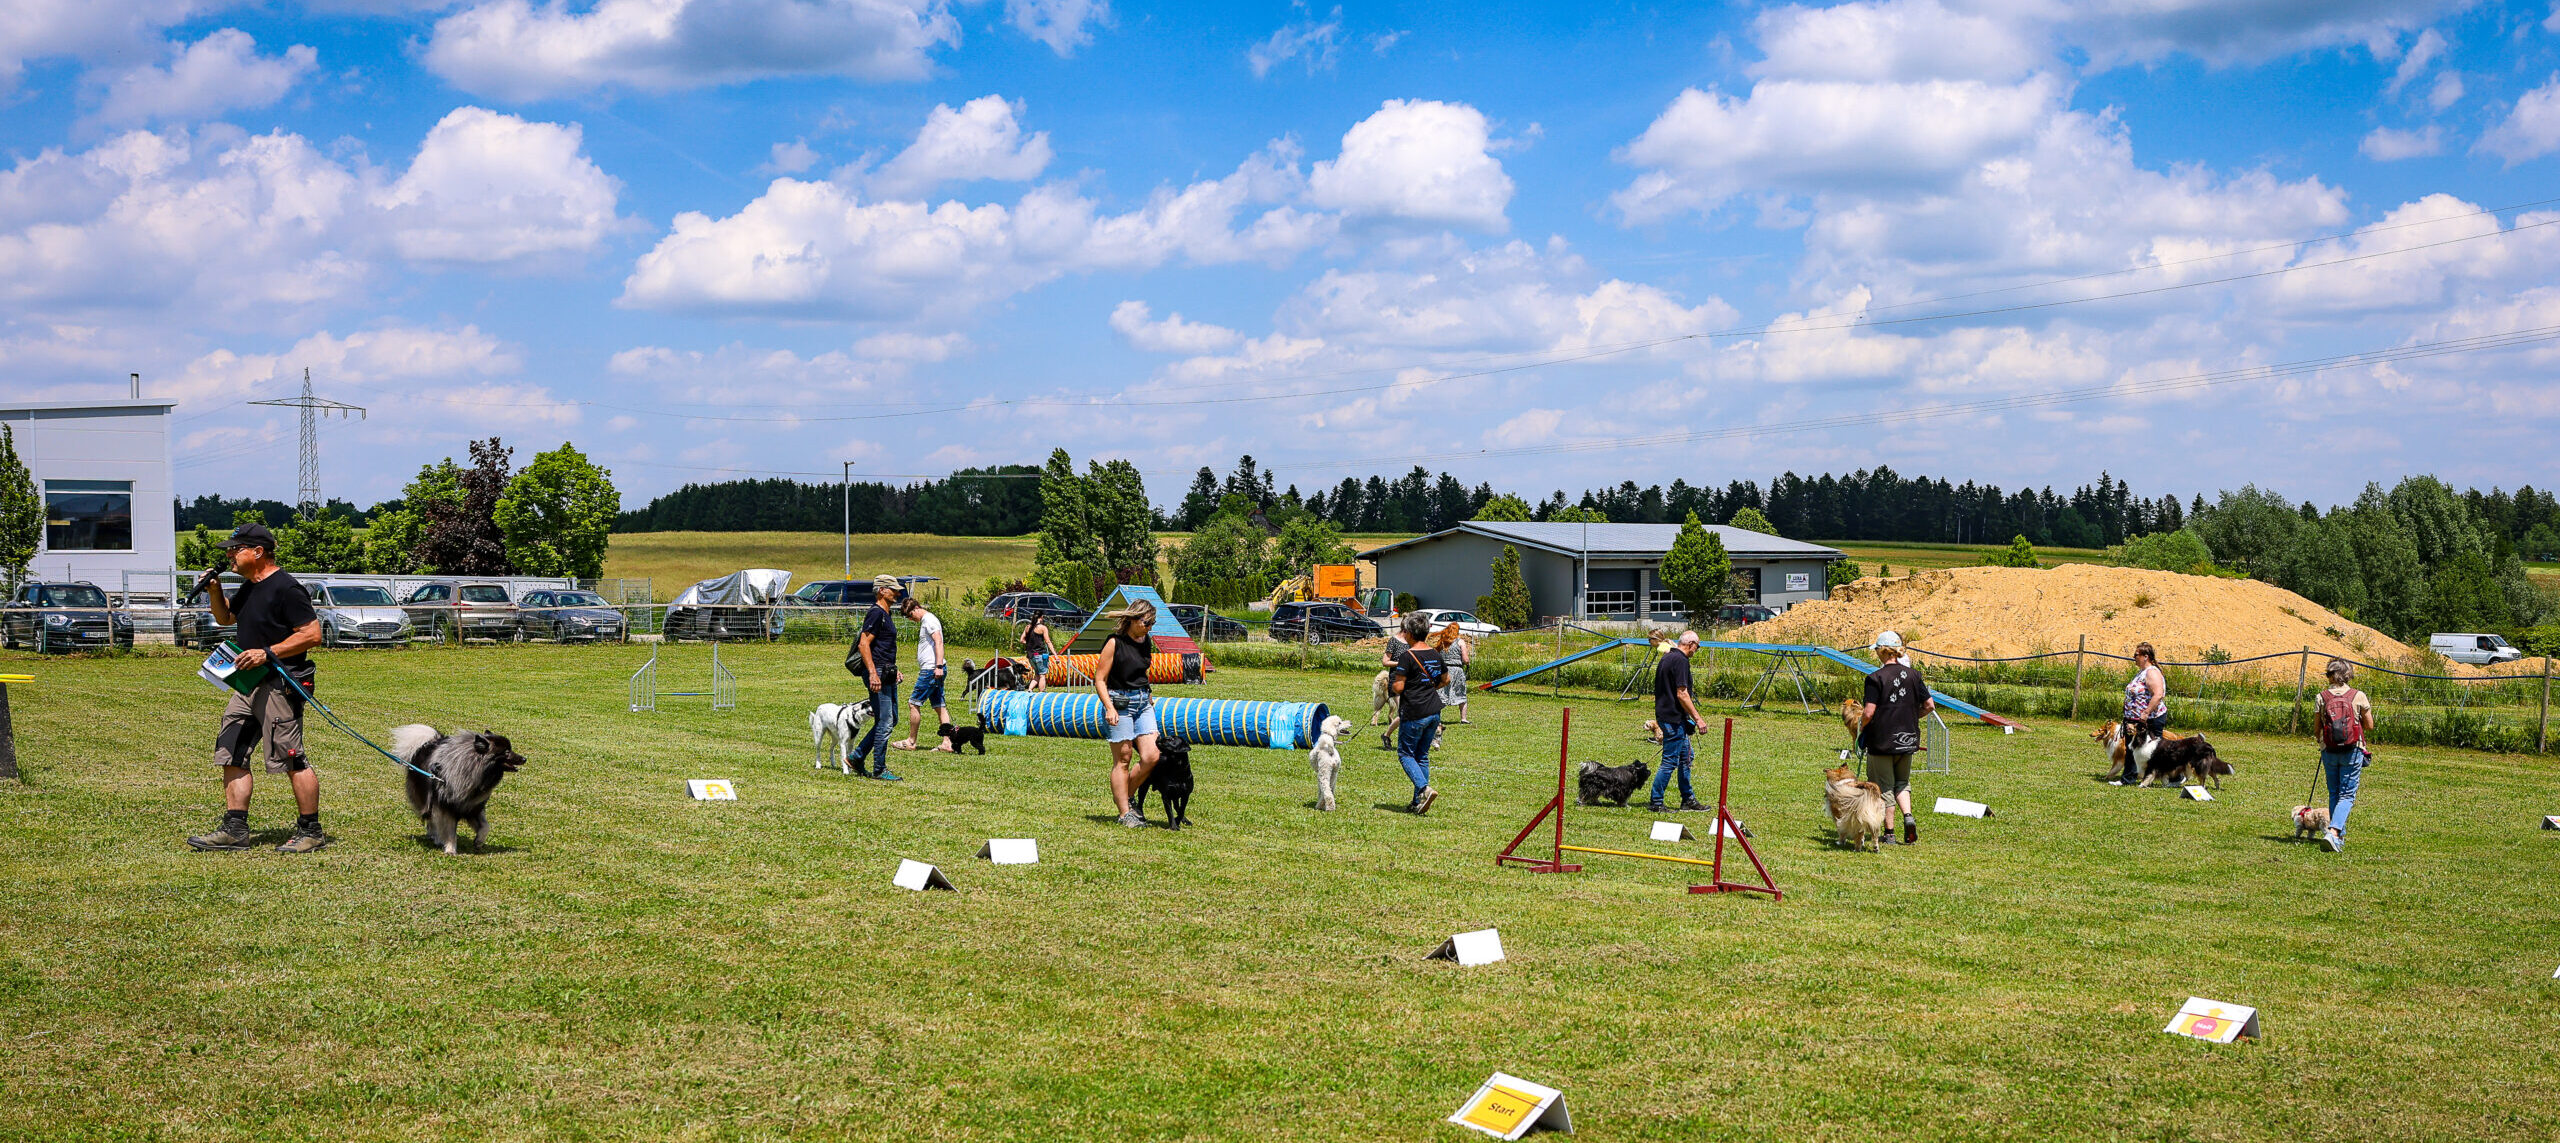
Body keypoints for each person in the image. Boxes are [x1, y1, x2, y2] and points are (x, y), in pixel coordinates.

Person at [186, 523, 331, 853]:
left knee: (291, 758)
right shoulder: (250, 586)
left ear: (258, 552)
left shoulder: (286, 588)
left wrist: (268, 652)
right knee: (232, 750)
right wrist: (213, 591)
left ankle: (311, 831)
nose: (229, 554)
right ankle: (235, 829)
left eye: (235, 549)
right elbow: (226, 619)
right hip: (246, 683)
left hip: (281, 683)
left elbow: (311, 635)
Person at [1861, 630, 1934, 845]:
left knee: (1884, 786)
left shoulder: (1875, 678)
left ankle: (1890, 833)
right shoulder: (1914, 675)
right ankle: (1908, 817)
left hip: (1882, 741)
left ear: (1882, 651)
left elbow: (1868, 713)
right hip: (1908, 739)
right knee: (1902, 782)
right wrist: (1914, 715)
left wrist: (1860, 727)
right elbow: (1929, 705)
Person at [1096, 600, 1162, 827]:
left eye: (1152, 623)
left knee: (1152, 755)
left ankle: (1127, 795)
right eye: (1146, 622)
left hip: (1143, 702)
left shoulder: (1146, 641)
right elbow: (1100, 680)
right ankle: (1125, 814)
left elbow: (1142, 671)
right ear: (1134, 619)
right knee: (1123, 758)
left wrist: (1149, 695)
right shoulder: (1114, 643)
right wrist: (1109, 708)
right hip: (1119, 702)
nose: (1149, 627)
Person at [2312, 657, 2375, 853]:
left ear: (2330, 675)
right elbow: (2370, 725)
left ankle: (2338, 836)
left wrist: (2321, 740)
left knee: (2335, 792)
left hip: (2329, 750)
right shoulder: (2358, 695)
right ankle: (2333, 832)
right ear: (2348, 675)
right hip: (2352, 749)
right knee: (2347, 794)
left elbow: (2317, 728)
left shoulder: (2321, 697)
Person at [844, 574, 903, 781]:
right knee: (885, 721)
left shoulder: (886, 614)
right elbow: (863, 644)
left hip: (887, 672)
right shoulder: (876, 613)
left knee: (891, 719)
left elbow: (883, 647)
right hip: (877, 673)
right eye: (893, 590)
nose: (897, 593)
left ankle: (857, 757)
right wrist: (872, 674)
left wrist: (895, 670)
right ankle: (879, 769)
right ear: (881, 591)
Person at [1387, 611, 1446, 814]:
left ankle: (1424, 789)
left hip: (1414, 711)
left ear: (1410, 634)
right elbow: (1445, 680)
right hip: (1434, 711)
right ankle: (1417, 802)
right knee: (1422, 756)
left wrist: (1396, 686)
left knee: (1405, 753)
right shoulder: (1435, 654)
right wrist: (1427, 688)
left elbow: (1400, 687)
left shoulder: (1407, 656)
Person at [1648, 630, 1707, 813]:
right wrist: (1698, 719)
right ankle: (1656, 802)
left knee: (1686, 757)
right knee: (1669, 762)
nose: (1696, 651)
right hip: (1673, 719)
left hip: (1670, 716)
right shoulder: (1681, 661)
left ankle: (1688, 799)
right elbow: (1682, 693)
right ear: (1690, 644)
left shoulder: (1667, 658)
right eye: (1697, 647)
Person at [894, 597, 953, 752]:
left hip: (931, 670)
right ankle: (948, 742)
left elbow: (939, 642)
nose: (910, 619)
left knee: (913, 703)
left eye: (910, 615)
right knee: (940, 706)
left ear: (916, 608)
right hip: (933, 669)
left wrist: (938, 666)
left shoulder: (929, 620)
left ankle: (911, 741)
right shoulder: (926, 621)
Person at [2124, 642, 2169, 742]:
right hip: (2134, 722)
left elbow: (2158, 695)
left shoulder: (2151, 672)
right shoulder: (2141, 672)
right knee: (2133, 754)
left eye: (2136, 654)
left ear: (2145, 657)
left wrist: (2146, 713)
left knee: (2149, 754)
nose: (2133, 657)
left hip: (2148, 721)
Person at [1436, 623, 1473, 725]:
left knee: (1441, 694)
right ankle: (1463, 718)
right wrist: (1468, 663)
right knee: (1461, 693)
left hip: (1444, 671)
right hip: (1457, 671)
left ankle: (1437, 718)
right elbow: (1465, 659)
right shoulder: (1460, 642)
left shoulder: (1442, 642)